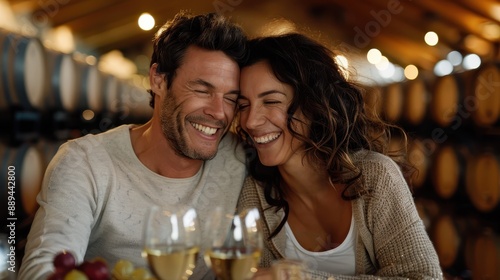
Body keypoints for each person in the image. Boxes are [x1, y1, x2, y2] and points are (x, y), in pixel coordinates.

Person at [19, 11, 248, 280]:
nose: (219, 112)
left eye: (231, 98)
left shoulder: (240, 159)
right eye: (202, 90)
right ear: (158, 80)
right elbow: (44, 269)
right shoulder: (85, 162)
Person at [236, 33, 443, 279]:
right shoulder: (253, 192)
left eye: (271, 101)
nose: (250, 121)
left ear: (314, 104)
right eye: (243, 105)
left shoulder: (375, 177)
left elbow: (424, 276)